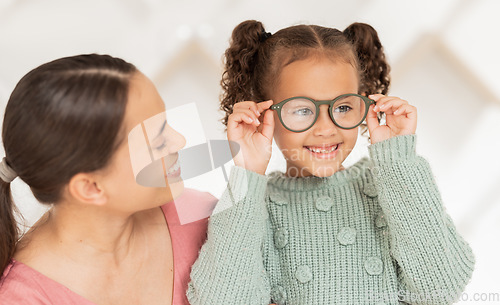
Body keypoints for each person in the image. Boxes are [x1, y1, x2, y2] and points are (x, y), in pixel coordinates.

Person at [187, 20, 475, 305]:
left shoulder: (389, 183)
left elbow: (441, 287)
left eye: (343, 107)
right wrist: (247, 173)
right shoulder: (253, 206)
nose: (326, 128)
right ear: (263, 113)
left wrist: (397, 160)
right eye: (301, 109)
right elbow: (222, 299)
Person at [0, 54, 216, 305]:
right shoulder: (23, 299)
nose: (180, 141)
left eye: (166, 124)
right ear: (90, 187)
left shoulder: (205, 218)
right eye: (157, 141)